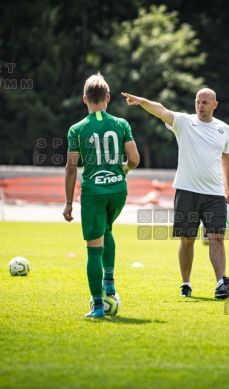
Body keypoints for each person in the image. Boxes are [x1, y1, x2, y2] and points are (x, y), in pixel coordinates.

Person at [122, 89, 229, 299]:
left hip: (214, 195)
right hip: (187, 191)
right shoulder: (184, 122)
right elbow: (161, 110)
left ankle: (221, 284)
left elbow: (226, 160)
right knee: (187, 239)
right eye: (198, 102)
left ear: (215, 105)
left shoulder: (224, 129)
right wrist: (142, 101)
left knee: (217, 237)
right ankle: (186, 284)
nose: (200, 105)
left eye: (205, 102)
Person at [63, 73, 140, 318]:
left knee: (93, 249)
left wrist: (67, 202)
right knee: (107, 230)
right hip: (118, 190)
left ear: (84, 99)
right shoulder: (121, 124)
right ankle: (109, 283)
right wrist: (123, 171)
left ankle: (97, 307)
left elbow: (71, 167)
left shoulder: (76, 129)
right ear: (107, 98)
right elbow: (135, 160)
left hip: (93, 192)